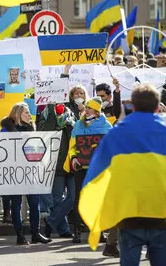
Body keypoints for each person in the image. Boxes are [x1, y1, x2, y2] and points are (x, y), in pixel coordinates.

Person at [79, 84, 166, 266]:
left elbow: (95, 174)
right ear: (158, 107)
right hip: (161, 215)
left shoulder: (116, 134)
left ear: (132, 107)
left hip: (128, 215)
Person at [0, 102, 52, 245]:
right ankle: (20, 235)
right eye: (26, 113)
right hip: (15, 171)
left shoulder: (31, 128)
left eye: (29, 113)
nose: (29, 115)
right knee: (16, 203)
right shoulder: (6, 130)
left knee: (35, 203)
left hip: (30, 171)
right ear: (17, 114)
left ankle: (36, 233)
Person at [63, 97, 112, 244]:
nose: (87, 110)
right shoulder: (78, 125)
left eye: (90, 108)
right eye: (87, 107)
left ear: (97, 111)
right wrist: (73, 158)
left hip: (98, 169)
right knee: (79, 199)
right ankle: (77, 231)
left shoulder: (106, 126)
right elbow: (72, 146)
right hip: (81, 168)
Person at [38, 103, 76, 239]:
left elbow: (75, 135)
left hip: (70, 162)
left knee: (73, 197)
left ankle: (51, 221)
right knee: (57, 199)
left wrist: (67, 122)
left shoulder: (70, 115)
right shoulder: (46, 115)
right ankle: (63, 229)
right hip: (56, 164)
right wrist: (52, 113)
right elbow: (44, 132)